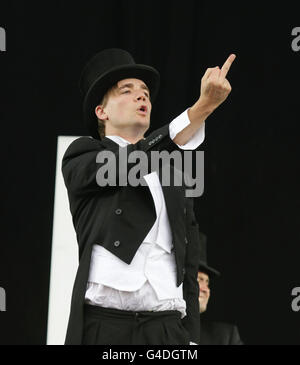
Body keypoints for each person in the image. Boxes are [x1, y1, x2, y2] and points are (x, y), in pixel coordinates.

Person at [62, 48, 235, 345]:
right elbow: (130, 163)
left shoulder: (174, 175)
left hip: (166, 329)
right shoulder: (84, 155)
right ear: (102, 112)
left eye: (144, 91)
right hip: (105, 327)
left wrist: (191, 337)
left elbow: (189, 260)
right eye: (126, 91)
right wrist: (200, 108)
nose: (141, 96)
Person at [197, 232, 243, 345]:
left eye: (207, 282)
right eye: (198, 280)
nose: (205, 289)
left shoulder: (225, 338)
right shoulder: (155, 333)